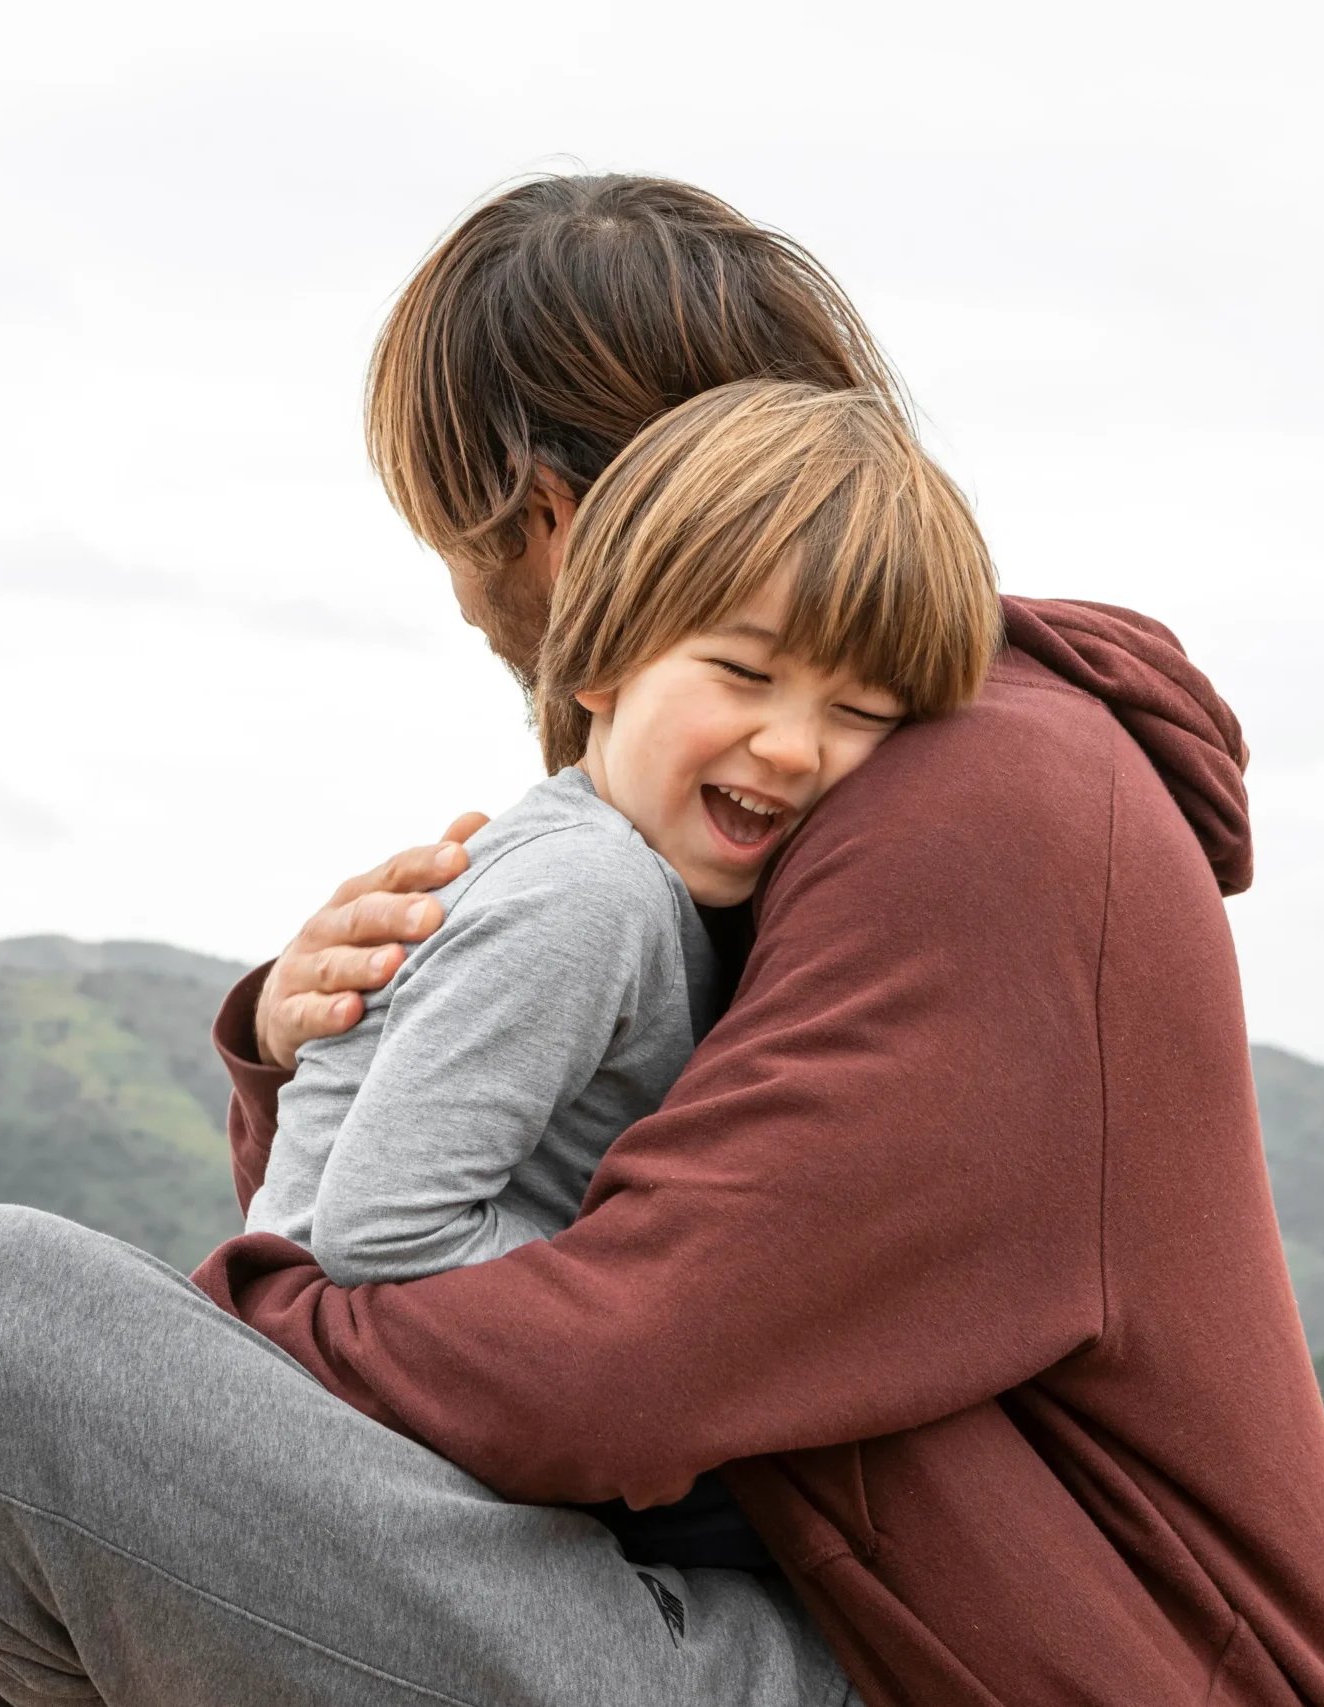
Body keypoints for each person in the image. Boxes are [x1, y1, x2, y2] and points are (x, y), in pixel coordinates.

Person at [0, 175, 1324, 1707]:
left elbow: (614, 1364)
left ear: (557, 519)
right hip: (822, 1607)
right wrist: (330, 1060)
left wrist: (236, 1323)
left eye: (457, 538)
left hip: (959, 1659)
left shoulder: (988, 799)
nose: (469, 606)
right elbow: (539, 1269)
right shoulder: (834, 793)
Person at [248, 380, 997, 1570]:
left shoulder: (643, 880)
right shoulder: (584, 895)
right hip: (345, 1434)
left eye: (860, 710)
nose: (794, 746)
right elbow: (375, 1232)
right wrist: (672, 1319)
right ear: (598, 664)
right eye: (743, 674)